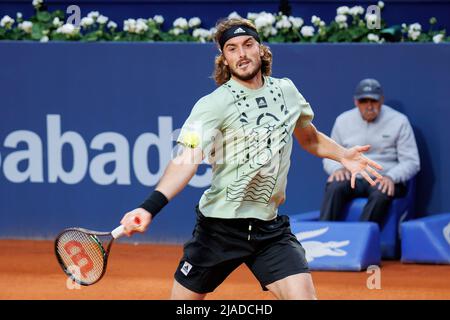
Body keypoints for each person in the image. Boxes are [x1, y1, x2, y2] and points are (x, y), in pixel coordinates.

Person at [119, 18, 383, 300]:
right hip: (219, 229)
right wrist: (149, 207)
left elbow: (309, 137)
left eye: (248, 44)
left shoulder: (286, 91)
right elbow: (187, 158)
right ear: (224, 59)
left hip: (269, 229)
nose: (242, 53)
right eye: (232, 48)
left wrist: (344, 155)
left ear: (261, 49)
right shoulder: (212, 104)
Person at [320, 78, 420, 225]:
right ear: (356, 102)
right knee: (335, 185)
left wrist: (392, 177)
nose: (369, 106)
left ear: (382, 100)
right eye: (363, 101)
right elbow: (329, 154)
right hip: (354, 176)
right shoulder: (343, 121)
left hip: (383, 177)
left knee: (382, 190)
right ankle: (325, 235)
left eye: (373, 101)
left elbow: (412, 162)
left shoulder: (399, 121)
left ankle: (362, 240)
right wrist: (337, 168)